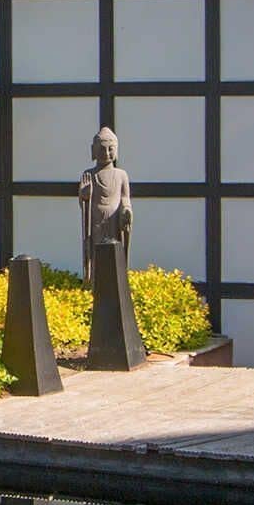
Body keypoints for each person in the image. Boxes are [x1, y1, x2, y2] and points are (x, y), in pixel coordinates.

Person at [78, 124, 146, 372]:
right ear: (93, 150)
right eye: (102, 148)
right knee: (98, 259)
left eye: (110, 149)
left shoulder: (121, 175)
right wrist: (84, 195)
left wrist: (126, 211)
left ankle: (116, 288)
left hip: (114, 222)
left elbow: (125, 198)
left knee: (114, 259)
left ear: (116, 151)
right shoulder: (89, 174)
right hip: (96, 222)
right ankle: (97, 289)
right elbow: (84, 202)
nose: (106, 153)